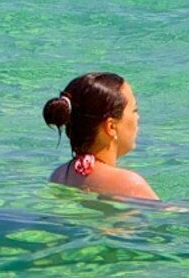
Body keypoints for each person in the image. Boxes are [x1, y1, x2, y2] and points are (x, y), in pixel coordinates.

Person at [44, 71, 157, 200]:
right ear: (111, 127)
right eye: (134, 110)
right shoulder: (130, 184)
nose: (138, 117)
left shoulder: (58, 176)